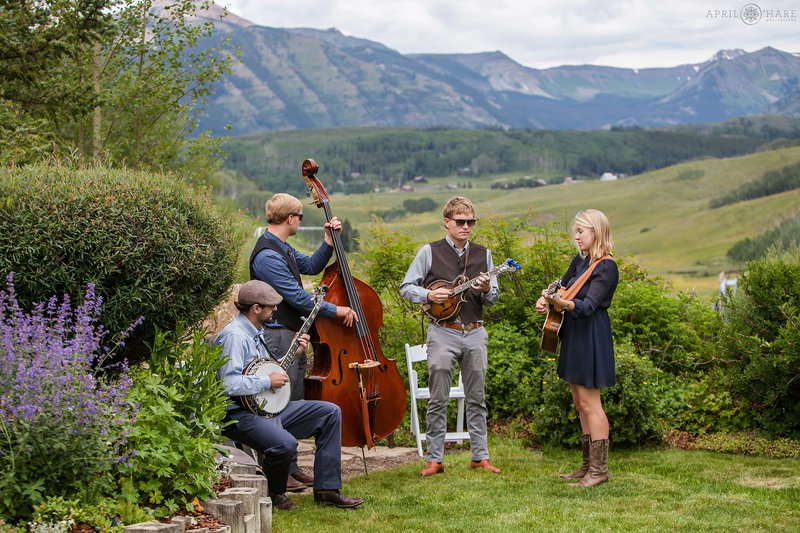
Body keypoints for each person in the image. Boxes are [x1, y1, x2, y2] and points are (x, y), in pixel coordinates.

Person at [214, 280, 364, 510]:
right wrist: (267, 381)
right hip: (239, 414)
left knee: (329, 413)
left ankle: (327, 489)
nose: (275, 309)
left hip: (265, 408)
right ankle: (275, 494)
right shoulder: (235, 336)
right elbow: (228, 382)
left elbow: (265, 368)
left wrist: (294, 353)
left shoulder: (255, 332)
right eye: (271, 306)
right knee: (285, 444)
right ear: (256, 308)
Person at [249, 193, 357, 490]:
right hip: (278, 332)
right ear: (290, 219)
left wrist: (328, 242)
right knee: (277, 403)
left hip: (290, 333)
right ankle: (280, 472)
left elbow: (310, 266)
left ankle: (290, 467)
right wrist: (337, 311)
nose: (299, 220)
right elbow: (296, 297)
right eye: (300, 216)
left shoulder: (281, 248)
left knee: (291, 399)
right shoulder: (268, 255)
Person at [399, 196, 501, 477]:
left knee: (477, 396)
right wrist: (429, 294)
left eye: (471, 222)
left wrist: (486, 288)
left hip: (475, 331)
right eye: (461, 222)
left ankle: (480, 456)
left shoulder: (484, 254)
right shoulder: (429, 252)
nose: (467, 226)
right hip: (442, 332)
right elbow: (406, 287)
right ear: (447, 222)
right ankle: (435, 459)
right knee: (438, 397)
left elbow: (493, 299)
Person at [535, 209, 618, 487]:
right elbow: (562, 285)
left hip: (591, 335)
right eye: (577, 230)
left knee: (592, 404)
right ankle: (587, 467)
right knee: (580, 403)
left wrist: (561, 303)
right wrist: (546, 299)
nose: (577, 235)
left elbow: (587, 306)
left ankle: (600, 471)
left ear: (596, 232)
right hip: (573, 335)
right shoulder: (580, 261)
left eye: (582, 230)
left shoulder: (606, 267)